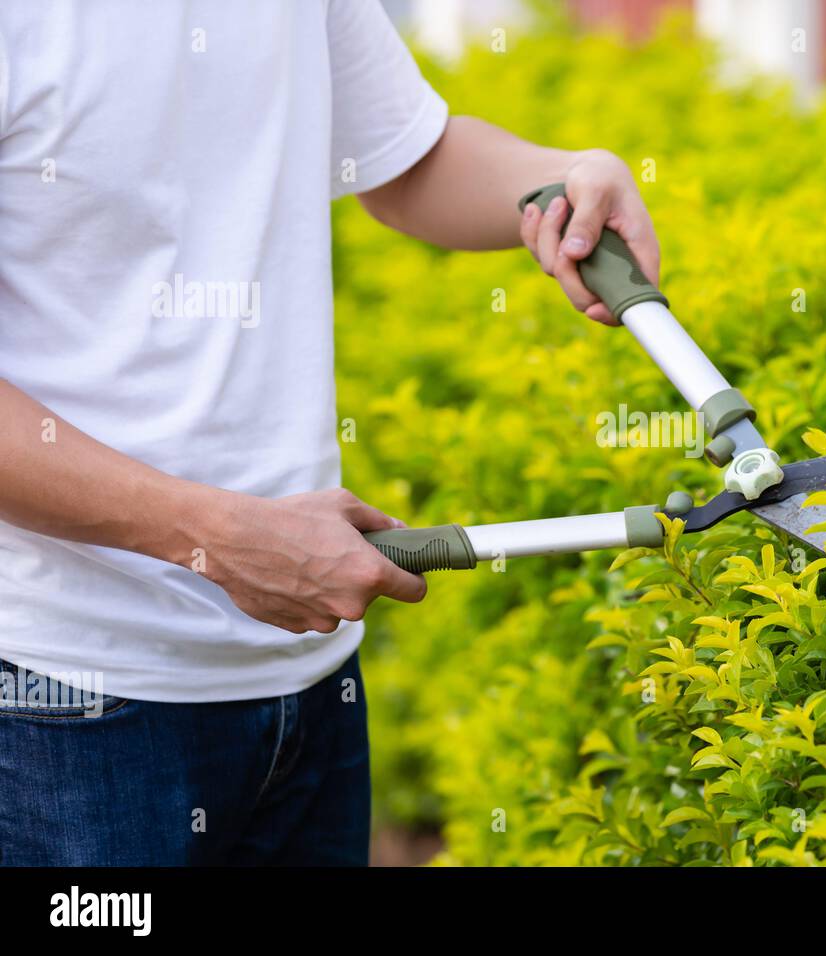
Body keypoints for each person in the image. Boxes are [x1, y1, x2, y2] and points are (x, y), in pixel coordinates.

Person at [0, 0, 659, 865]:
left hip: (307, 687)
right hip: (66, 702)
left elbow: (403, 158)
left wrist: (558, 185)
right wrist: (211, 538)